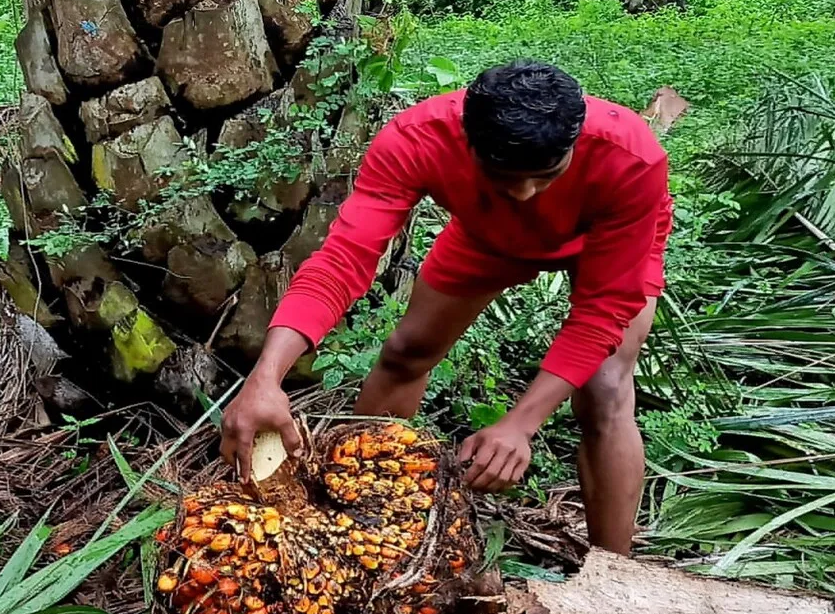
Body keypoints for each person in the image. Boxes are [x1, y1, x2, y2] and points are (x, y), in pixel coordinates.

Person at [220, 61, 671, 556]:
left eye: (545, 177)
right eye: (502, 176)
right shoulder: (417, 139)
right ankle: (365, 523)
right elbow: (342, 261)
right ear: (467, 141)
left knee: (605, 387)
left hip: (606, 245)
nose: (523, 194)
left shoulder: (629, 158)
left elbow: (604, 309)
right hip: (488, 235)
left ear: (573, 143)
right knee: (407, 351)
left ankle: (614, 574)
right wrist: (265, 377)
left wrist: (519, 424)